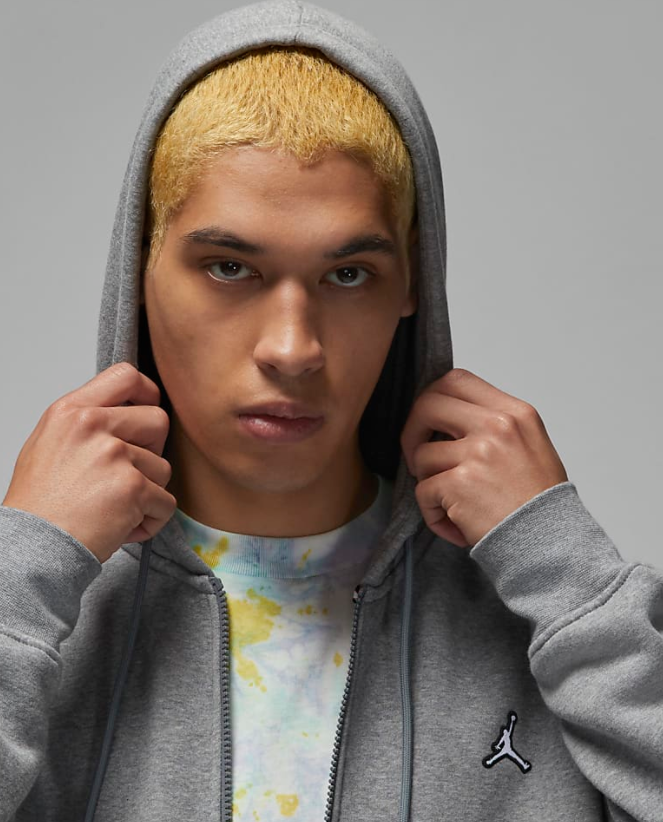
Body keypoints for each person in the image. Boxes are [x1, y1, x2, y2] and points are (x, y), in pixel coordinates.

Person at [0, 2, 661, 820]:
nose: (292, 348)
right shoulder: (41, 611)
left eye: (347, 275)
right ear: (141, 268)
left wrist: (564, 574)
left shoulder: (542, 612)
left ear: (410, 281)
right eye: (228, 267)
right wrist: (23, 575)